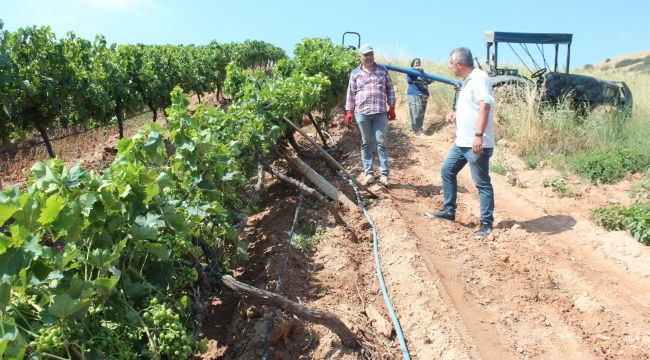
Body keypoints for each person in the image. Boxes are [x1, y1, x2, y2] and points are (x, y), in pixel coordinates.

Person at [425, 47, 496, 239]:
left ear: (459, 64)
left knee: (482, 183)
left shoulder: (480, 78)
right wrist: (455, 114)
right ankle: (449, 211)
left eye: (451, 64)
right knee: (447, 171)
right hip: (462, 141)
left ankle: (486, 223)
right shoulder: (467, 81)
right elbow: (472, 108)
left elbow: (484, 108)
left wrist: (479, 135)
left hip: (475, 142)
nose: (450, 67)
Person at [344, 44, 396, 187]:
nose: (368, 57)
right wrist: (349, 111)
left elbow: (390, 89)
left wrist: (391, 107)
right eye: (365, 55)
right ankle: (369, 173)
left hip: (380, 113)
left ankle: (384, 174)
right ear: (360, 57)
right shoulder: (355, 73)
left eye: (370, 54)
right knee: (365, 143)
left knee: (381, 142)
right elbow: (351, 92)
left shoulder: (382, 70)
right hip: (362, 113)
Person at [406, 58, 433, 135]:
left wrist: (428, 78)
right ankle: (416, 130)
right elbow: (410, 80)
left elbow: (428, 80)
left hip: (424, 94)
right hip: (414, 93)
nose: (417, 64)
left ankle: (418, 129)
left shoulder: (422, 73)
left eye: (419, 63)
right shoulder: (410, 71)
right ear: (413, 64)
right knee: (415, 112)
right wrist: (416, 69)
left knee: (421, 112)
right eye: (416, 63)